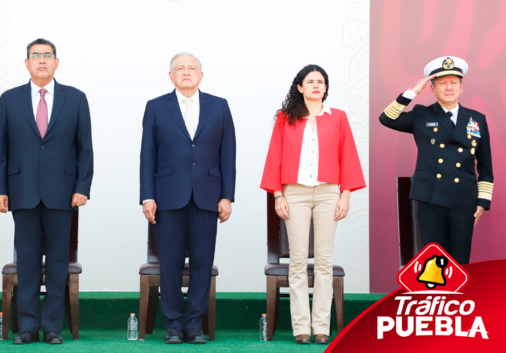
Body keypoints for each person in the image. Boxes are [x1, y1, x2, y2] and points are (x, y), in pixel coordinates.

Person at [0, 38, 93, 345]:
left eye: (47, 55)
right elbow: (0, 149)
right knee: (28, 262)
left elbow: (85, 149)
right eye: (35, 56)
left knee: (59, 262)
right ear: (26, 64)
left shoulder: (75, 99)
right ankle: (27, 327)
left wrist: (82, 187)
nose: (42, 60)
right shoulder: (10, 99)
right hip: (22, 192)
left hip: (63, 194)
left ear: (56, 62)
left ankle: (52, 327)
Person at [260, 65, 365, 345]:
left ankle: (321, 327)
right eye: (311, 81)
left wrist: (346, 195)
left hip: (329, 193)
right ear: (300, 87)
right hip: (294, 193)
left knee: (323, 259)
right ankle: (301, 328)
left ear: (326, 88)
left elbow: (348, 156)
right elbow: (275, 157)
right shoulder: (285, 118)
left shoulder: (338, 118)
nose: (317, 85)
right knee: (297, 260)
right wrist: (278, 195)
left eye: (321, 81)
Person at [139, 52, 236, 344]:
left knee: (202, 263)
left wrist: (227, 196)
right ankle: (172, 325)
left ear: (201, 75)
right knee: (168, 263)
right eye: (179, 68)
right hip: (167, 198)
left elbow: (227, 155)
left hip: (207, 196)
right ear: (170, 76)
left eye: (191, 68)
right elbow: (147, 156)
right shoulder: (156, 107)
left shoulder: (219, 106)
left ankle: (194, 324)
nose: (185, 72)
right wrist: (147, 196)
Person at [379, 56, 493, 265]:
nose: (448, 87)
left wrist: (482, 202)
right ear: (432, 89)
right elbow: (387, 118)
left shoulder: (476, 119)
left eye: (453, 83)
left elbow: (485, 166)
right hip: (431, 196)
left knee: (459, 260)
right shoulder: (421, 114)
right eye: (442, 83)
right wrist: (412, 92)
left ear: (461, 86)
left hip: (463, 199)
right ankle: (434, 298)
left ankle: (457, 299)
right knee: (432, 260)